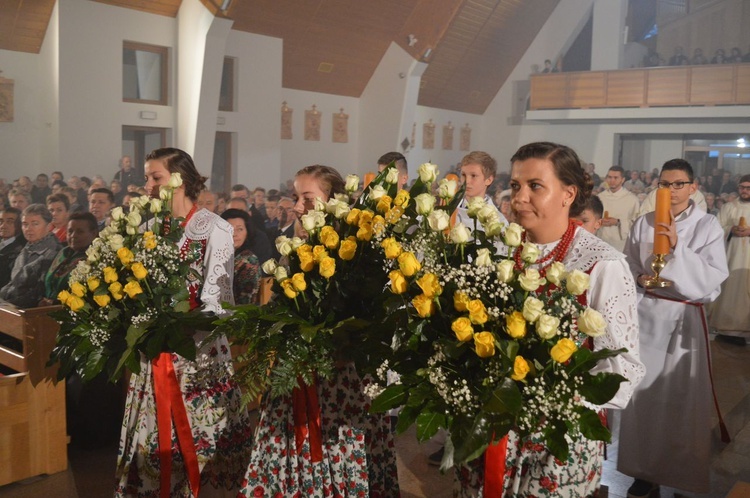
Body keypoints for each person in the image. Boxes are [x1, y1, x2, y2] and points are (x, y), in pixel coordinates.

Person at [457, 142, 644, 496]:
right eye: (515, 186)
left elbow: (622, 369)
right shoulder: (498, 253)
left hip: (557, 438)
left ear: (568, 194)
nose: (520, 197)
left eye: (535, 186)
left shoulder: (602, 265)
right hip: (492, 427)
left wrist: (551, 397)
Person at [238, 164, 399, 497]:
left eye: (307, 198)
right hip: (296, 373)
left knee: (339, 452)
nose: (297, 206)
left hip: (341, 382)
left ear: (332, 201)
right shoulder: (294, 248)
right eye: (296, 197)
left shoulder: (357, 250)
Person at [115, 147, 252, 497]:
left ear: (181, 180)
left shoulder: (214, 228)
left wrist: (176, 326)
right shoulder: (147, 227)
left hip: (198, 353)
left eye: (154, 177)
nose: (147, 185)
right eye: (147, 177)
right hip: (154, 353)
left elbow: (219, 298)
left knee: (202, 439)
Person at [618, 158, 729, 497]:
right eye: (664, 184)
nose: (670, 190)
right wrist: (639, 277)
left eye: (678, 184)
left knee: (681, 401)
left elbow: (712, 281)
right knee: (643, 399)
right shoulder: (644, 223)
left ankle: (681, 474)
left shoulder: (707, 225)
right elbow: (630, 264)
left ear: (693, 187)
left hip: (683, 319)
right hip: (647, 316)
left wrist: (679, 248)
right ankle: (643, 470)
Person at [709, 174, 750, 345]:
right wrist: (730, 229)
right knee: (730, 290)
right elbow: (717, 229)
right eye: (742, 187)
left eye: (748, 188)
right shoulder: (728, 207)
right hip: (731, 258)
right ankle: (726, 327)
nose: (745, 191)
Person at [0, 204, 61, 308]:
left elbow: (38, 293)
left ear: (49, 226)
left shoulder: (54, 252)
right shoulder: (26, 248)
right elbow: (13, 283)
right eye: (25, 224)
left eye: (35, 224)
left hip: (27, 311)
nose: (28, 229)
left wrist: (9, 305)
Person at [41, 212, 98, 304]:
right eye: (70, 231)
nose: (73, 235)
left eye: (80, 232)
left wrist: (54, 303)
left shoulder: (95, 259)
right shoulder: (63, 253)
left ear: (93, 233)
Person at [456, 151, 508, 230]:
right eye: (463, 175)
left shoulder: (498, 222)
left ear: (489, 180)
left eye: (473, 176)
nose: (466, 181)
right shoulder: (447, 213)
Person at [220, 208, 261, 304]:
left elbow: (245, 303)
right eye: (229, 229)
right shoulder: (216, 255)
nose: (234, 234)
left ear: (247, 232)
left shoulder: (249, 261)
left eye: (240, 229)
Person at [598, 166, 641, 251]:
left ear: (623, 179)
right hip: (601, 240)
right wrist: (599, 221)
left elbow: (636, 224)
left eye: (616, 178)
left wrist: (618, 222)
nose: (612, 180)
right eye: (609, 177)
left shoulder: (632, 199)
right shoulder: (600, 198)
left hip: (621, 244)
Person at [0, 207, 25, 289]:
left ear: (19, 225)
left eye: (10, 222)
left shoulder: (19, 251)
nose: (3, 226)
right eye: (1, 221)